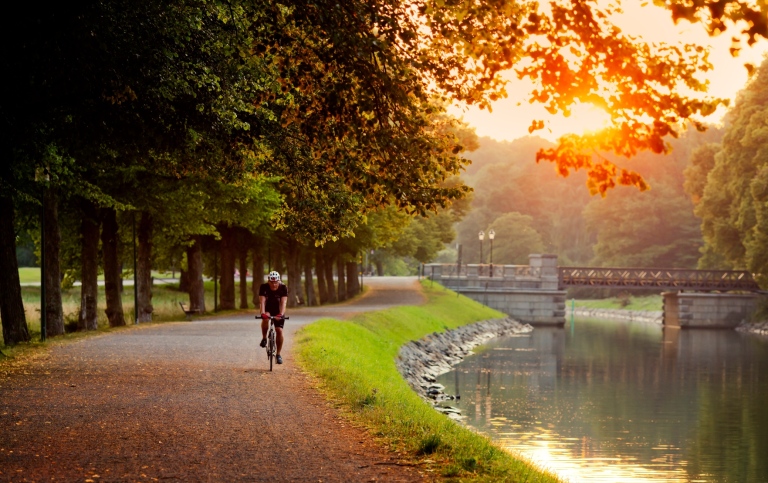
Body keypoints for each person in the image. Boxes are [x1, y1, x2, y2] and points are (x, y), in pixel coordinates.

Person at [259, 271, 288, 364]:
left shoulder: (283, 287)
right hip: (267, 308)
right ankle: (264, 338)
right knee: (265, 318)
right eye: (272, 282)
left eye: (276, 282)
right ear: (268, 281)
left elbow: (283, 302)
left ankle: (278, 354)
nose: (274, 284)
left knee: (279, 330)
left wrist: (281, 314)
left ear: (279, 281)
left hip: (278, 310)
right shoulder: (264, 287)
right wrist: (262, 313)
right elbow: (262, 302)